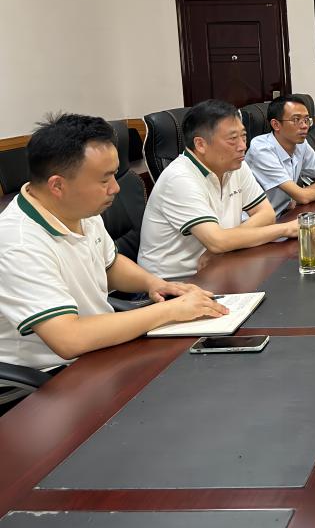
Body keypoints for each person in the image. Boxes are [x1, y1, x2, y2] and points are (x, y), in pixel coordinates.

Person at [0, 114, 226, 372]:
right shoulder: (18, 243)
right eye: (104, 180)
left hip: (101, 351)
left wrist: (155, 284)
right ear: (57, 186)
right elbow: (69, 339)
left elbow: (110, 264)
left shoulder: (80, 210)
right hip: (54, 374)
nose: (115, 188)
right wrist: (170, 311)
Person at [139, 100, 315, 280]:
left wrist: (226, 244)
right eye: (233, 139)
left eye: (243, 136)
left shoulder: (235, 165)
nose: (243, 146)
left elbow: (266, 214)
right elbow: (218, 241)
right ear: (201, 144)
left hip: (220, 267)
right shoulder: (179, 178)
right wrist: (284, 229)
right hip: (173, 284)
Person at [244, 95, 315, 217]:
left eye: (306, 120)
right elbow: (303, 197)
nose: (304, 126)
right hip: (254, 222)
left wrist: (300, 195)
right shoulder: (261, 149)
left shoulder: (301, 144)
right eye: (296, 120)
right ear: (276, 125)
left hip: (284, 215)